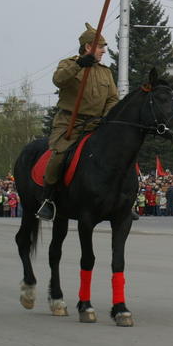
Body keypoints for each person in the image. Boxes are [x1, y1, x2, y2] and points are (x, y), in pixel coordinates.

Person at [37, 23, 119, 221]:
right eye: (100, 47)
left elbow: (112, 98)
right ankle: (48, 200)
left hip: (97, 124)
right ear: (88, 46)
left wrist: (105, 117)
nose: (104, 51)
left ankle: (121, 201)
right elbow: (59, 80)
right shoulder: (68, 64)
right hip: (69, 123)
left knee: (119, 153)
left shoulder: (105, 72)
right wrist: (80, 64)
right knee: (59, 157)